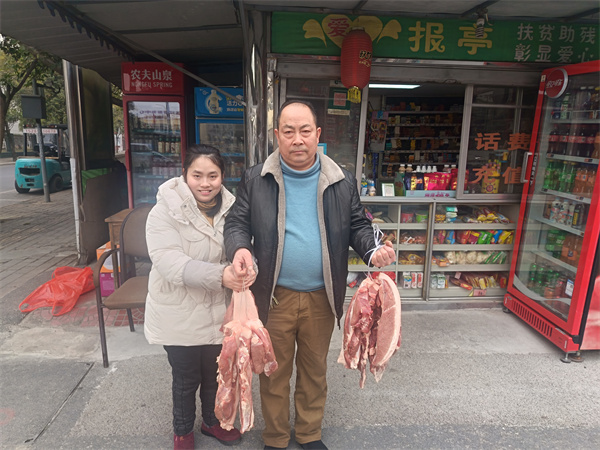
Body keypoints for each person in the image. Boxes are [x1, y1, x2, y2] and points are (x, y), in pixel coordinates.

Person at [224, 100, 396, 450]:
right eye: (288, 131)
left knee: (314, 371)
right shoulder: (256, 179)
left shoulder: (341, 180)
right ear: (277, 135)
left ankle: (308, 434)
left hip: (321, 295)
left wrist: (372, 249)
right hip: (274, 295)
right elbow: (237, 222)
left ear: (317, 134)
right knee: (273, 371)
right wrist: (239, 247)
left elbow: (358, 225)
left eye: (305, 131)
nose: (297, 139)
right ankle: (275, 437)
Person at [144, 145, 255, 450]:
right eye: (197, 175)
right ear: (185, 175)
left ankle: (212, 421)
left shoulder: (232, 209)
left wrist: (247, 266)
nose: (205, 183)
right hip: (178, 311)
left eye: (212, 176)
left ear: (223, 176)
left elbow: (242, 244)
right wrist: (221, 276)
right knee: (186, 376)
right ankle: (182, 431)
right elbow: (169, 262)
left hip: (218, 311)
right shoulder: (164, 211)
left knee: (216, 372)